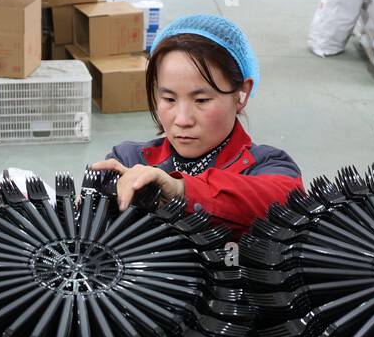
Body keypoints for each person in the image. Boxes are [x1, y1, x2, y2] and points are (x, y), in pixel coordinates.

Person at [89, 14, 305, 237]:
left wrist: (181, 190)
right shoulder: (130, 159)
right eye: (169, 99)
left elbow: (285, 202)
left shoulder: (269, 166)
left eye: (201, 100)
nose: (182, 120)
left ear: (242, 93)